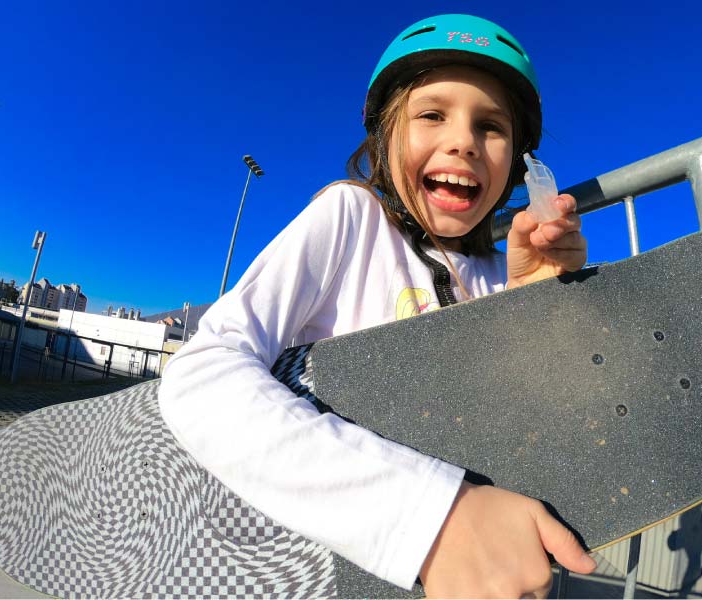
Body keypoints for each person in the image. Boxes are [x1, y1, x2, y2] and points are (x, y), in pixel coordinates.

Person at [158, 13, 595, 598]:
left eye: (491, 126)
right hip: (325, 567)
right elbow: (202, 373)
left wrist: (531, 304)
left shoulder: (498, 273)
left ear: (518, 161)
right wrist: (432, 519)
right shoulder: (351, 220)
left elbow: (521, 425)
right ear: (385, 136)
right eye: (432, 115)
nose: (464, 140)